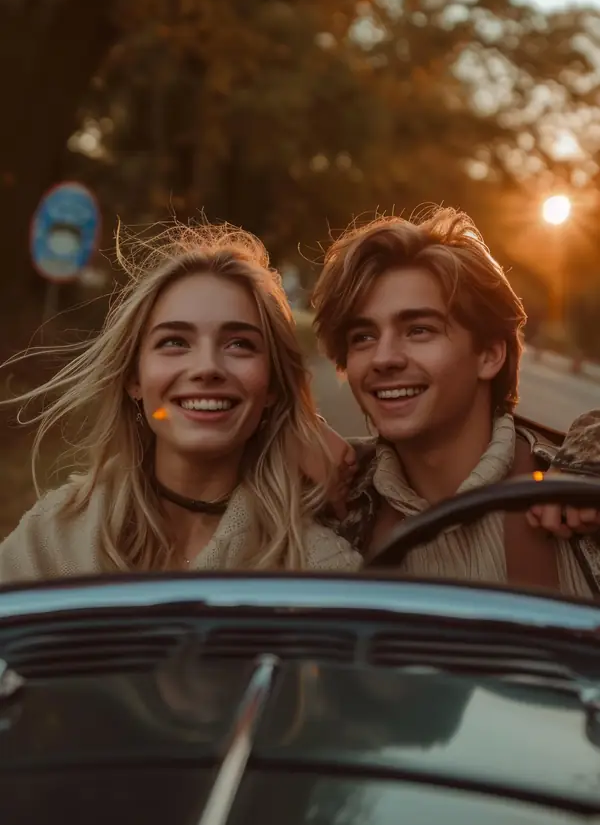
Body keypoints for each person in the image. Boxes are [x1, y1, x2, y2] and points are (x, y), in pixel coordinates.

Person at [0, 223, 360, 581]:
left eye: (239, 344)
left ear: (272, 387)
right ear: (134, 379)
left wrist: (306, 429)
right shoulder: (49, 542)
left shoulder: (320, 570)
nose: (206, 368)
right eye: (174, 342)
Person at [311, 206, 600, 596]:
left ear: (489, 355)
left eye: (419, 330)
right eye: (364, 337)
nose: (384, 358)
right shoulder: (330, 504)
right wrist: (290, 429)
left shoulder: (578, 493)